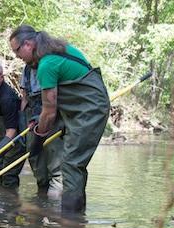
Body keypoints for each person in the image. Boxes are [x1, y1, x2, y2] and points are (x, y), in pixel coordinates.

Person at [9, 25, 110, 214]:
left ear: (28, 44)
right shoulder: (62, 50)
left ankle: (69, 223)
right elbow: (52, 107)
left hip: (89, 110)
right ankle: (78, 216)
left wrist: (38, 139)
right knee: (74, 164)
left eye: (16, 51)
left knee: (72, 164)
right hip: (82, 108)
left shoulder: (47, 65)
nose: (17, 56)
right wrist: (39, 123)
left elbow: (49, 112)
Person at [20, 64, 63, 197]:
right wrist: (22, 122)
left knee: (56, 167)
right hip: (32, 119)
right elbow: (25, 98)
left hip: (54, 120)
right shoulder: (27, 70)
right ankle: (41, 202)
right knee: (36, 161)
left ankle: (55, 209)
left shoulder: (51, 66)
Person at [0, 62, 26, 188]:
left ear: (1, 78)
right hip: (3, 136)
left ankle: (10, 204)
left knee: (8, 175)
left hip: (16, 140)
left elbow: (12, 131)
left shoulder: (7, 99)